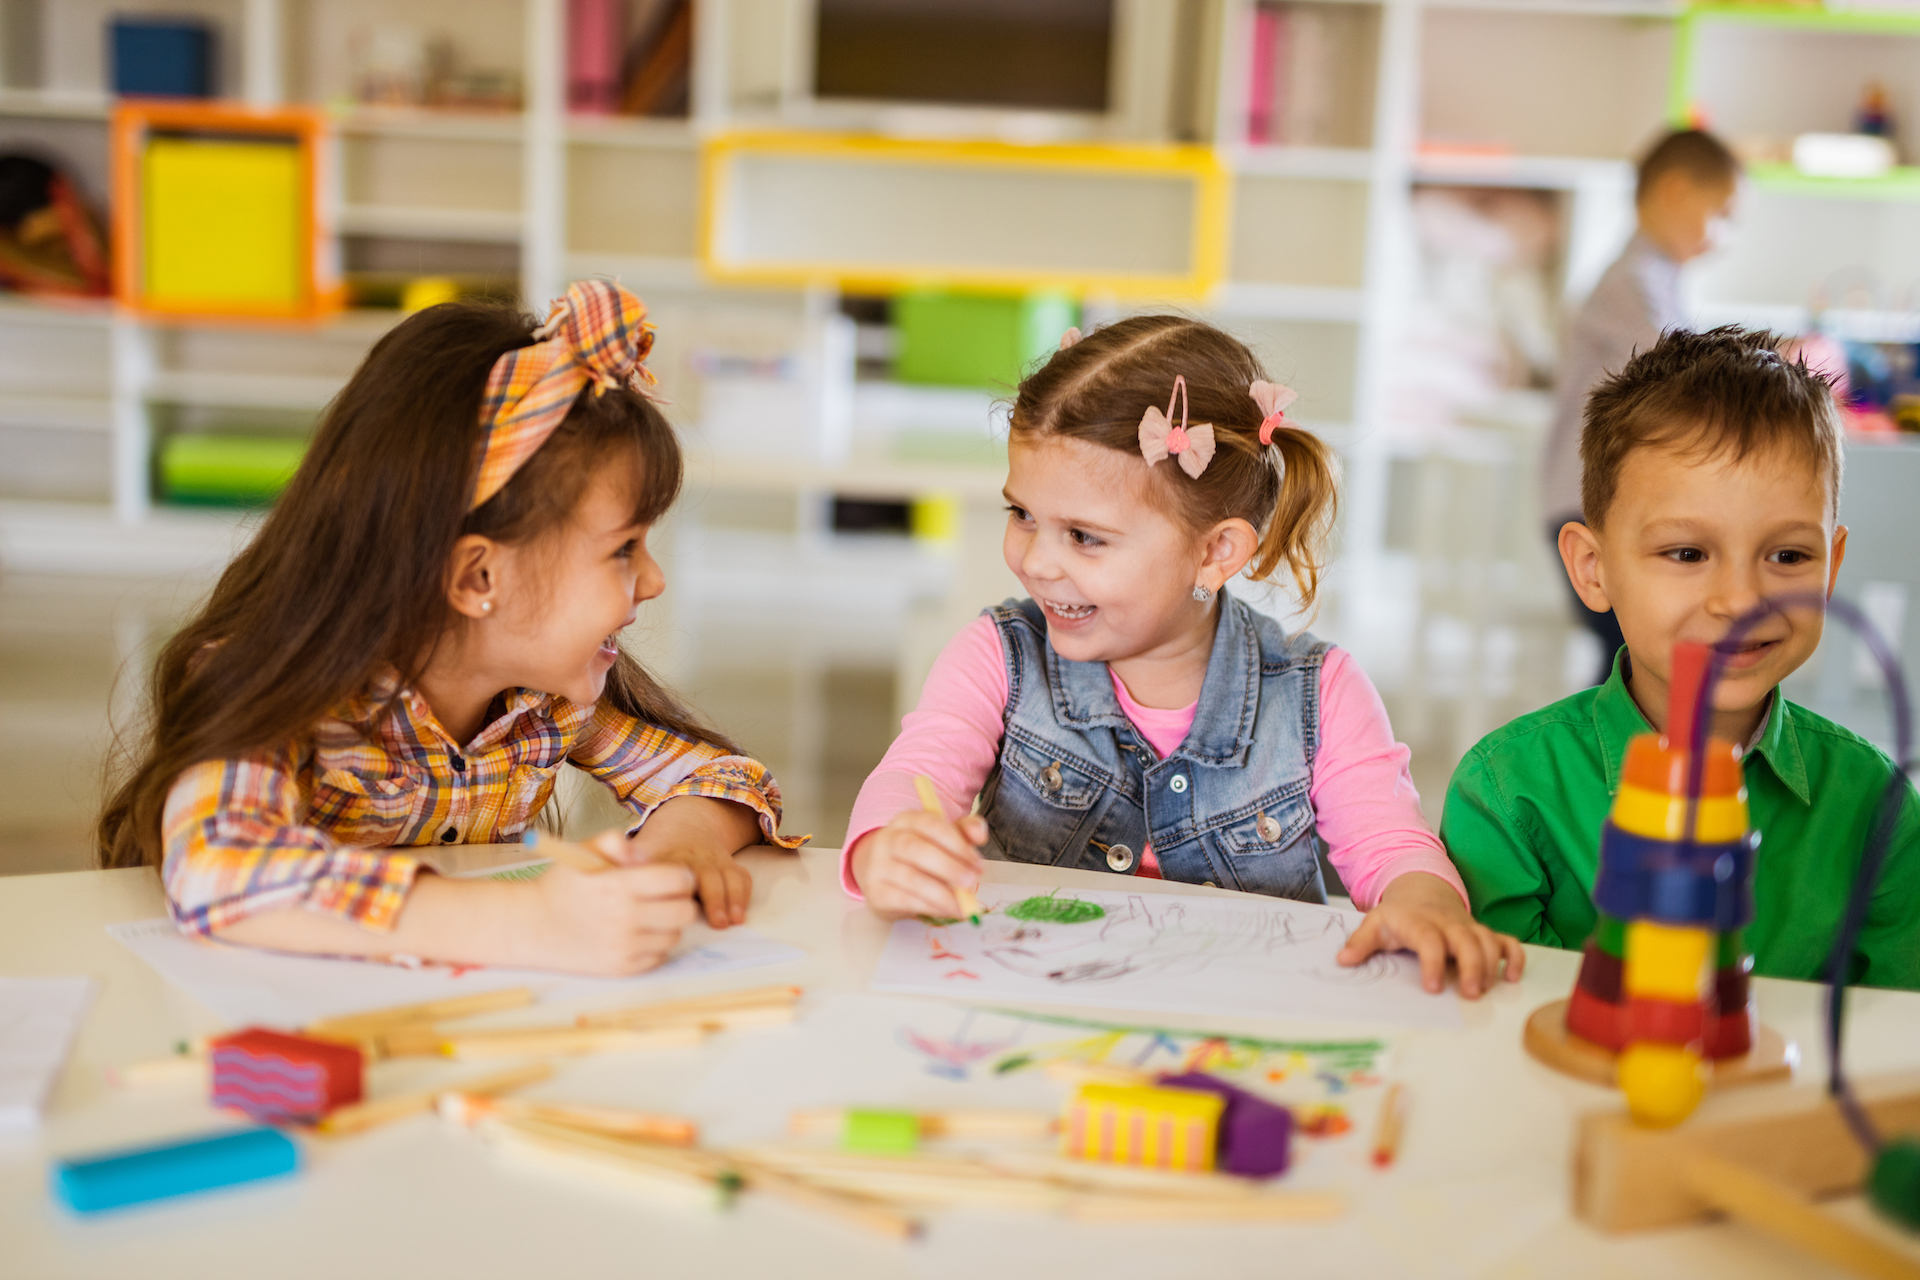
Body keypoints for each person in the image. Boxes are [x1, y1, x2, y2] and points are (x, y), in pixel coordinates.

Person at [97, 280, 802, 975]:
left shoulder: (547, 702)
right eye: (623, 549)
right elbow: (221, 870)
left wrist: (680, 848)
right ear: (477, 579)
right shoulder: (267, 680)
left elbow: (723, 777)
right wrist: (531, 924)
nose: (653, 580)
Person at [844, 316, 1525, 998]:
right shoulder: (996, 655)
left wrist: (1425, 905)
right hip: (1035, 1008)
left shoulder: (1322, 694)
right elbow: (916, 773)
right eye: (1022, 515)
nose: (1036, 562)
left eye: (1083, 536)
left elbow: (1391, 846)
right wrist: (888, 845)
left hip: (1241, 1029)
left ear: (1216, 551)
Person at [1443, 327, 1920, 989]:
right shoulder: (1507, 794)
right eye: (1688, 554)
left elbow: (1894, 1046)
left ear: (1831, 567)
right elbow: (1500, 1022)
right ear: (1594, 568)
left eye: (1788, 556)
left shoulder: (1881, 812)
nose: (1740, 600)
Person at [1541, 129, 1740, 684]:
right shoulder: (1629, 284)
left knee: (1636, 659)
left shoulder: (1655, 280)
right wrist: (1773, 356)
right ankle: (1610, 766)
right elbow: (1687, 369)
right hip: (1590, 503)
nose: (1724, 236)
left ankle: (1626, 761)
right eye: (1721, 213)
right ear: (1675, 191)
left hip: (1601, 502)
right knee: (1639, 659)